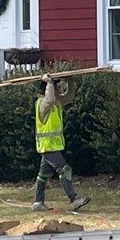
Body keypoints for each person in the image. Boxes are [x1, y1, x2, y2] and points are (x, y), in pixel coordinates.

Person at [32, 76, 89, 214]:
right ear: (47, 90)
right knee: (65, 170)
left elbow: (68, 98)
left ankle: (38, 202)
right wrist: (49, 82)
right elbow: (49, 99)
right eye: (56, 88)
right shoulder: (43, 104)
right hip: (48, 146)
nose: (58, 90)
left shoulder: (56, 103)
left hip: (52, 146)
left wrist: (70, 81)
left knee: (43, 175)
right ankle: (73, 199)